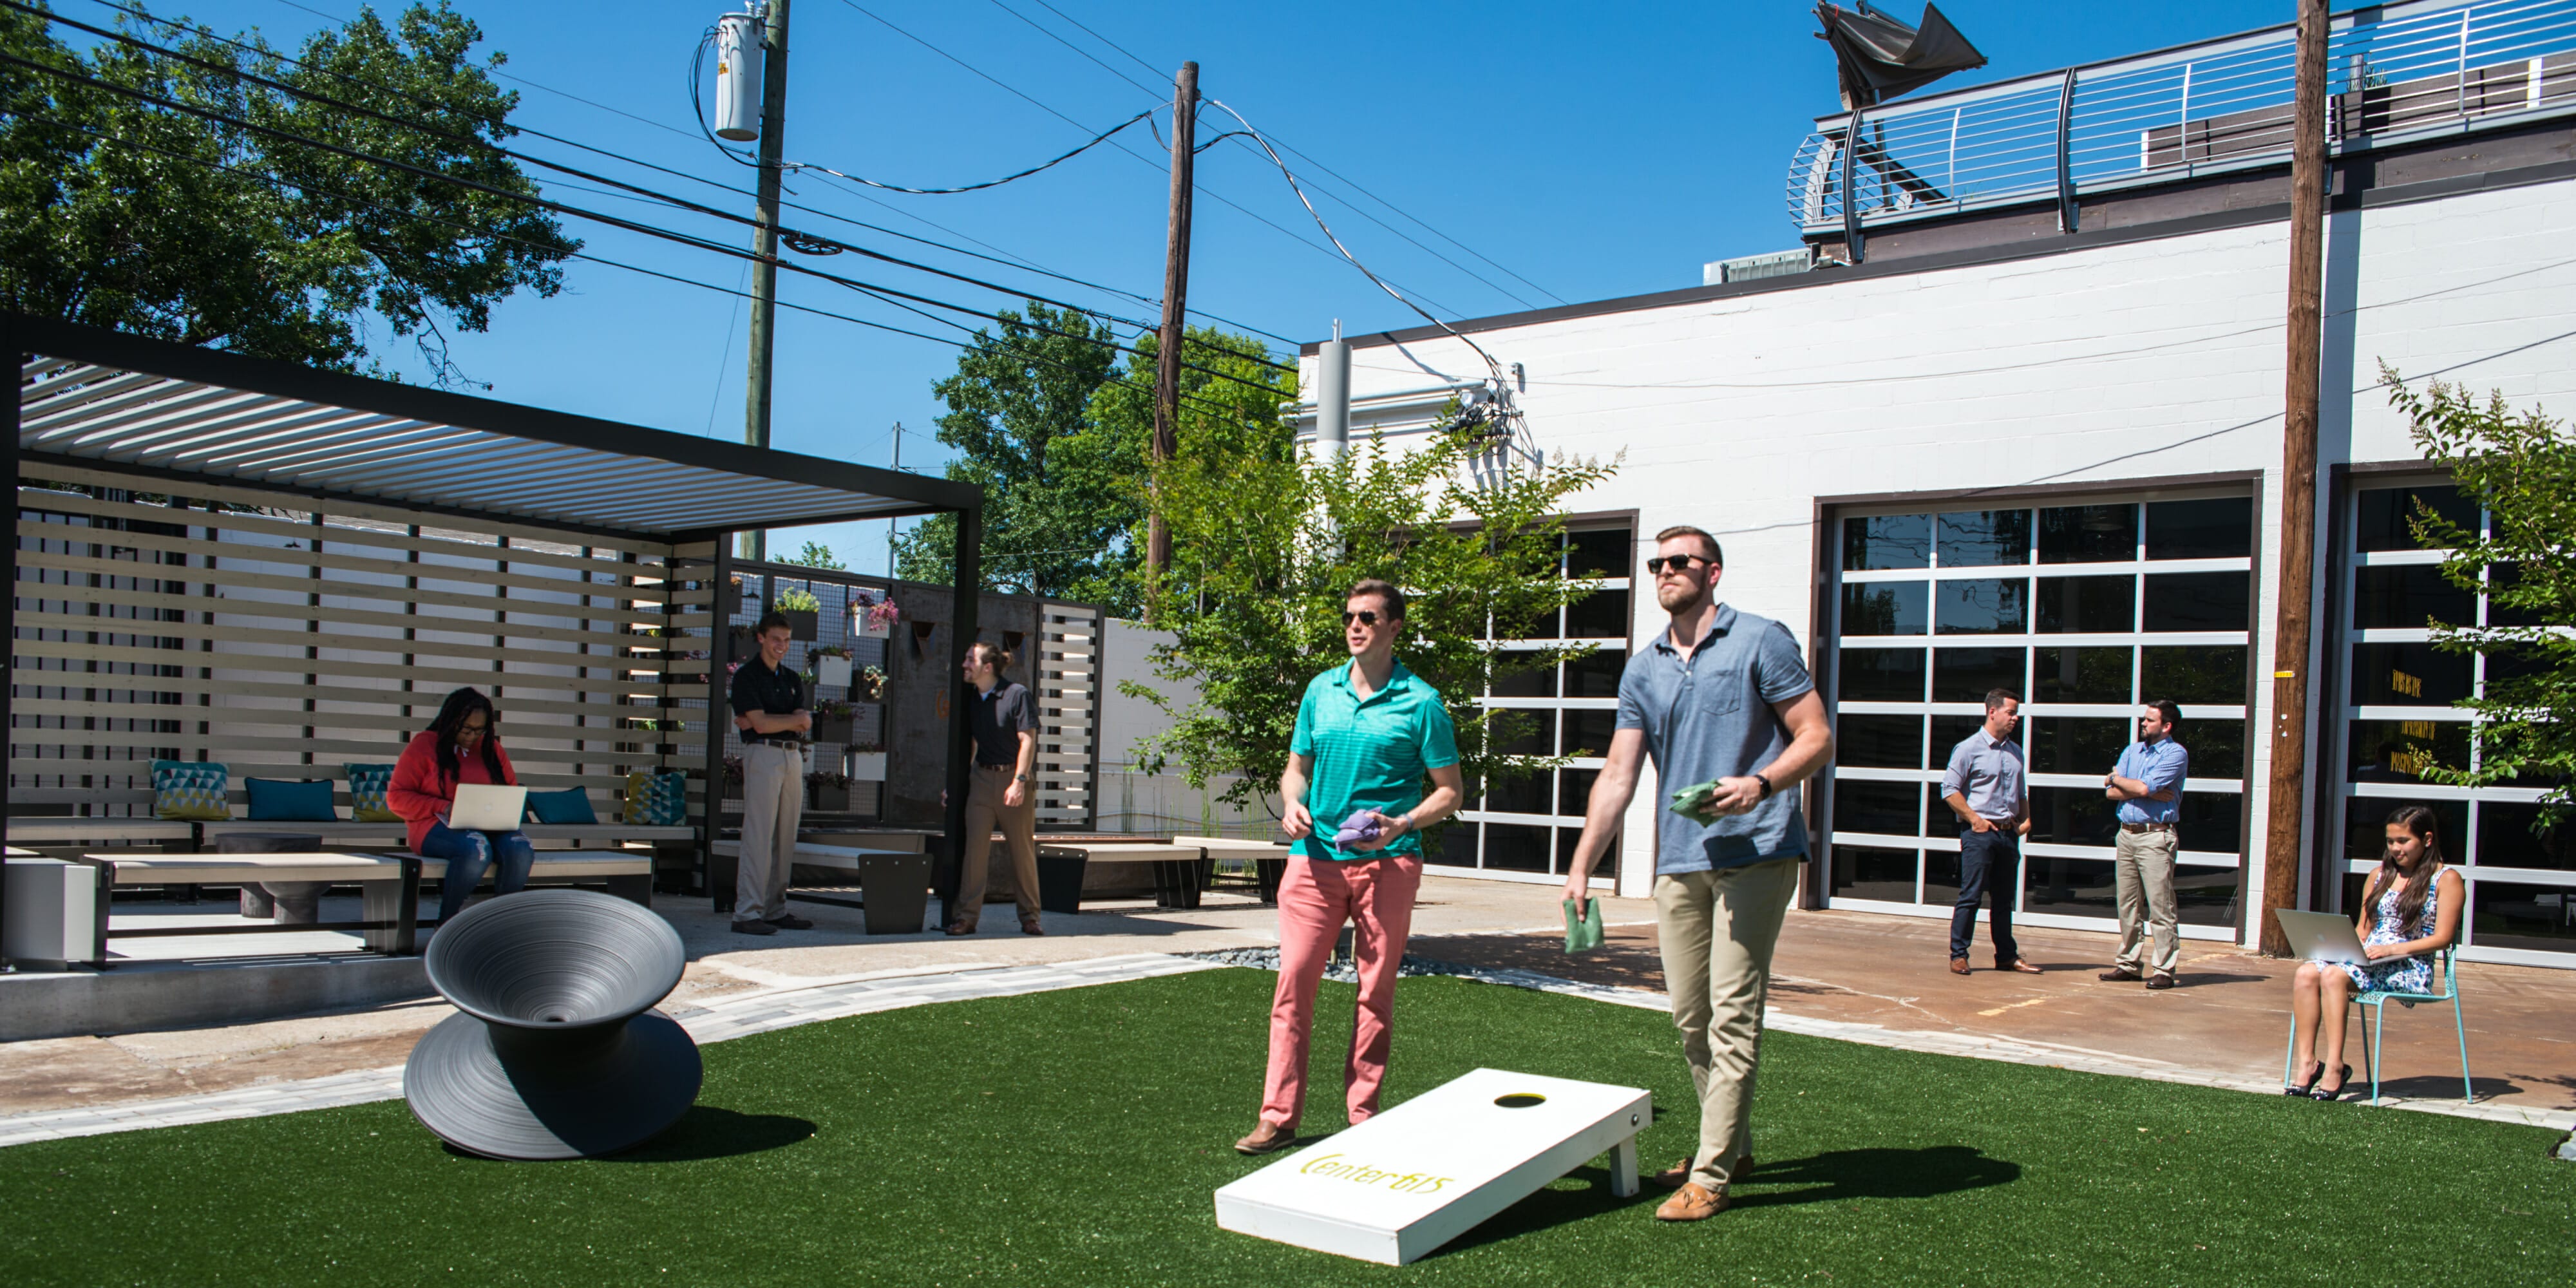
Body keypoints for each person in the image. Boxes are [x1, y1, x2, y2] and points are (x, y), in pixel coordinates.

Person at [1559, 527, 1833, 1224]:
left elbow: (1815, 735)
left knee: (1733, 1011)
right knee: (1691, 1015)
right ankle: (1732, 1143)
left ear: (1711, 571)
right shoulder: (1642, 665)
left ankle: (1711, 1174)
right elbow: (1619, 772)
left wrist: (1762, 782)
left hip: (1758, 849)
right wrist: (1581, 863)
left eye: (1678, 561)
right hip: (1680, 857)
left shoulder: (1760, 640)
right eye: (1657, 562)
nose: (1664, 571)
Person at [1234, 579, 1464, 1156]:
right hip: (1313, 863)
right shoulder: (1321, 690)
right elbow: (1296, 770)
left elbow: (1449, 792)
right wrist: (1292, 802)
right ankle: (1278, 1116)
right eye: (1348, 617)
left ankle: (1363, 1117)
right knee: (1293, 987)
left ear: (1395, 627)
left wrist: (1403, 823)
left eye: (1367, 617)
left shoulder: (1423, 702)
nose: (1355, 626)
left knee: (1374, 992)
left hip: (1387, 864)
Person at [2285, 804, 2464, 1101]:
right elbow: (2363, 931)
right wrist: (2341, 949)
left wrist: (2393, 948)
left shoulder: (2446, 879)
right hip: (2370, 957)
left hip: (2408, 964)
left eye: (2403, 841)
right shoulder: (2379, 875)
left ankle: (2335, 1067)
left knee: (2333, 976)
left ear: (2428, 840)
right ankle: (2308, 1063)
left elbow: (2443, 939)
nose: (2395, 848)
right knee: (2306, 972)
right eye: (2391, 841)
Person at [390, 687, 535, 925]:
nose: (471, 736)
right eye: (465, 729)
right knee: (475, 848)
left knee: (521, 848)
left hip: (490, 827)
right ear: (450, 721)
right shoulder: (425, 745)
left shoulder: (491, 749)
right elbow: (396, 798)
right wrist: (444, 807)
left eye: (479, 730)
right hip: (433, 827)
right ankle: (448, 925)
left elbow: (511, 791)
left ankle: (502, 925)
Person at [947, 640, 1044, 936]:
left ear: (986, 667)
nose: (964, 665)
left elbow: (1027, 740)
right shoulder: (973, 699)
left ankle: (1030, 917)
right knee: (975, 852)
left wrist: (1019, 781)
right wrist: (953, 785)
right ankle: (966, 918)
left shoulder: (1017, 695)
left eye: (969, 660)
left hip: (1013, 781)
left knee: (1022, 851)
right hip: (981, 781)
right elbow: (971, 744)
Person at [1940, 689, 2038, 977]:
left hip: (2008, 835)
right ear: (1992, 712)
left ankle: (2006, 956)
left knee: (2003, 900)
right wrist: (1974, 819)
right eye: (2011, 712)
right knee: (1971, 896)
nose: (2016, 718)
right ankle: (1959, 955)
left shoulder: (2015, 751)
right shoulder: (1968, 749)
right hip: (1980, 835)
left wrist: (2026, 819)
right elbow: (1949, 789)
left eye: (2016, 712)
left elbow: (2021, 793)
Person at [728, 611, 813, 936]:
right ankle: (746, 912)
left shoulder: (791, 678)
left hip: (792, 758)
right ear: (761, 638)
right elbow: (763, 726)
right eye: (776, 639)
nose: (782, 645)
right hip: (763, 755)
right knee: (759, 835)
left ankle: (775, 909)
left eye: (787, 640)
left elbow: (802, 722)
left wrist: (771, 721)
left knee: (785, 836)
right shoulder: (747, 676)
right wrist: (788, 721)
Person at [2100, 700, 2188, 989]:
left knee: (2160, 905)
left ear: (2166, 726)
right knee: (2127, 904)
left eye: (2150, 720)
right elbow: (2111, 792)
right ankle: (2129, 964)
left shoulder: (2175, 754)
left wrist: (2126, 783)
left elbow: (2141, 788)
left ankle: (2164, 969)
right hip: (2127, 833)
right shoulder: (2132, 751)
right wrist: (2120, 781)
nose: (2143, 724)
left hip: (2155, 836)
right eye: (2144, 719)